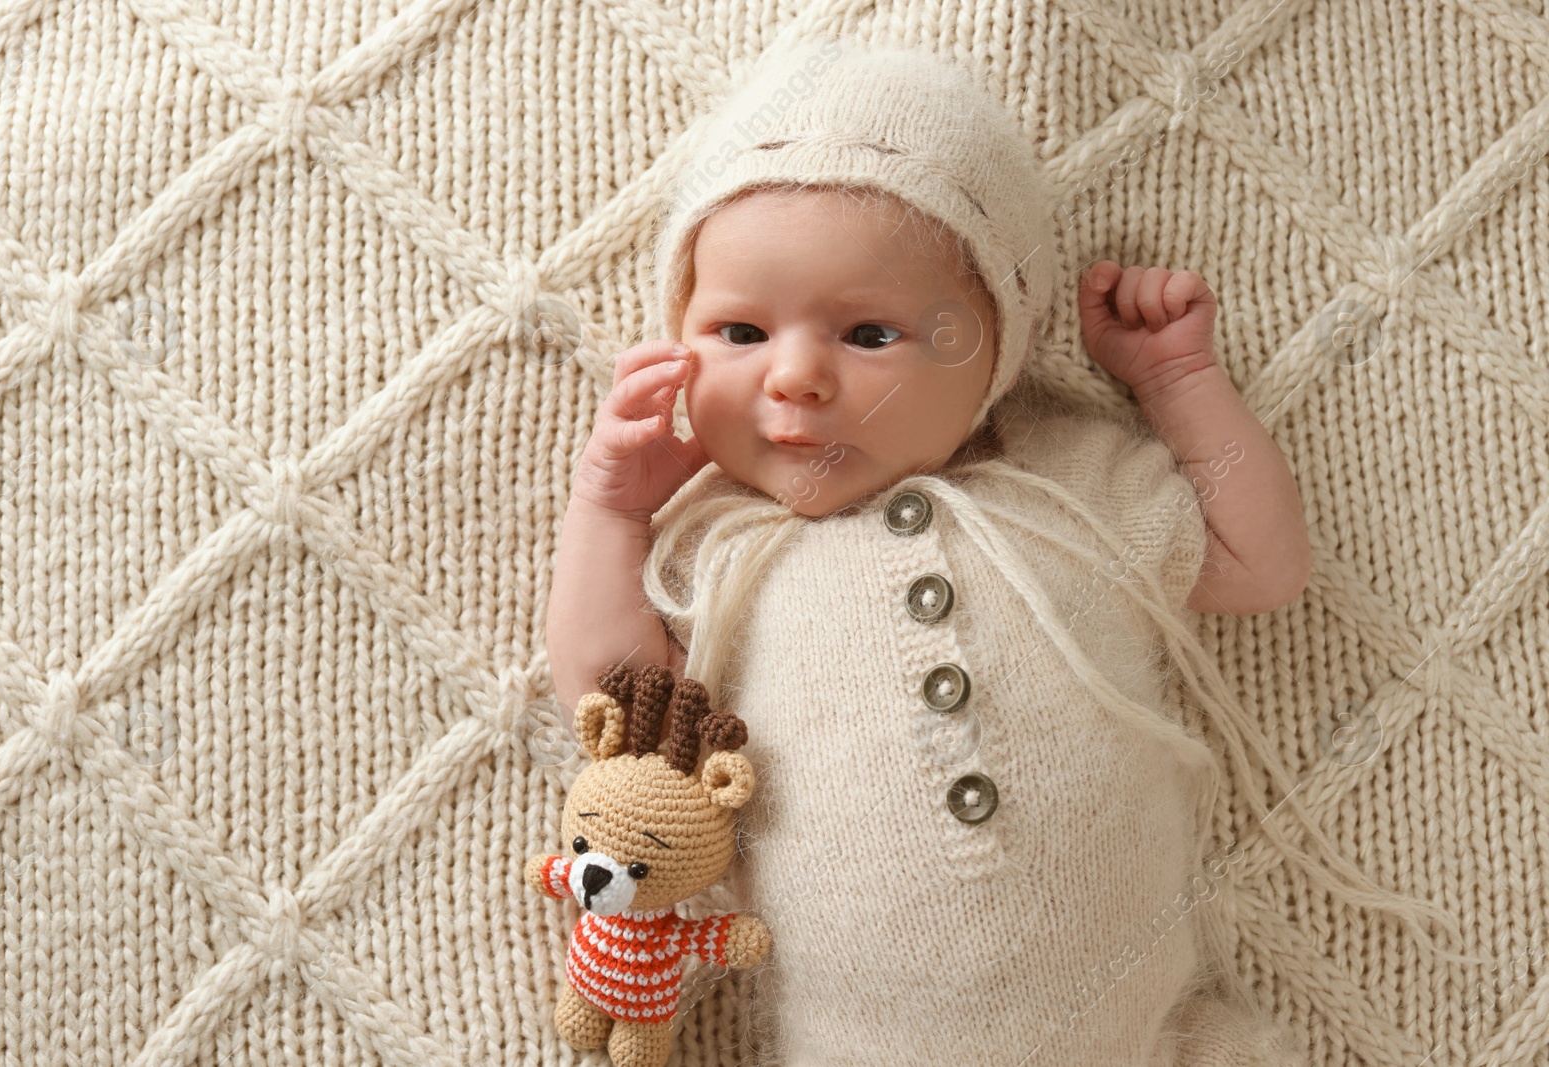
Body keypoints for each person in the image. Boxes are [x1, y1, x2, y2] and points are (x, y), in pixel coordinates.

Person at [545, 38, 1472, 1066]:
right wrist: (609, 508)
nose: (796, 376)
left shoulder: (1066, 484)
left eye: (865, 333)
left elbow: (1259, 563)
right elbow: (615, 701)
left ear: (999, 344)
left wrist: (1179, 385)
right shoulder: (722, 535)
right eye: (738, 331)